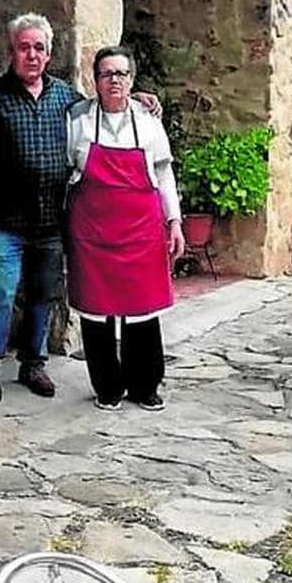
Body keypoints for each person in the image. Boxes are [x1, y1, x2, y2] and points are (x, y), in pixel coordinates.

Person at [0, 13, 160, 403]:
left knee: (42, 296)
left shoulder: (67, 99)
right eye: (23, 47)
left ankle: (34, 364)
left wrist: (136, 98)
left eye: (39, 48)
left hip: (51, 222)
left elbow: (107, 105)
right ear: (11, 52)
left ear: (49, 55)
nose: (31, 55)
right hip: (2, 220)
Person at [65, 46, 185, 411]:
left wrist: (175, 222)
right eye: (106, 74)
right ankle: (108, 388)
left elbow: (163, 172)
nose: (114, 80)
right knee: (96, 312)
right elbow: (67, 173)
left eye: (121, 74)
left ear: (131, 80)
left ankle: (145, 386)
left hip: (141, 231)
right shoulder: (78, 121)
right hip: (92, 232)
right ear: (95, 81)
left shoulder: (149, 122)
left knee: (142, 311)